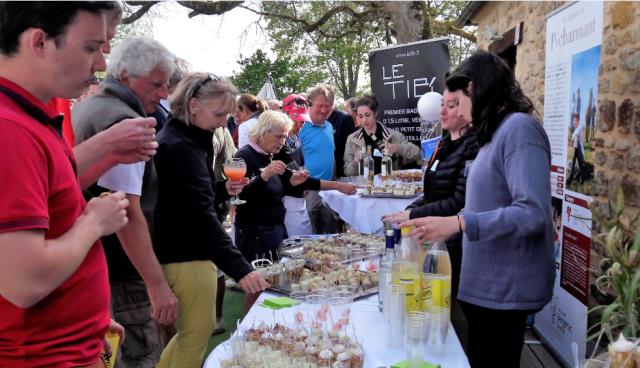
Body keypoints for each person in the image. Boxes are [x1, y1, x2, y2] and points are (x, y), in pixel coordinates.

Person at [399, 50, 555, 368]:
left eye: (458, 102)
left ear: (474, 88)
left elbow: (532, 213)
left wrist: (458, 223)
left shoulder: (519, 130)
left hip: (504, 289)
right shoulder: (494, 134)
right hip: (485, 285)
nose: (458, 112)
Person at [0, 3, 131, 367]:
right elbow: (23, 282)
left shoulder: (30, 118)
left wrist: (86, 323)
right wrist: (94, 222)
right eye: (90, 48)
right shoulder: (9, 129)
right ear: (39, 42)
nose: (101, 65)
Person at [73, 36, 178, 368]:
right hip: (119, 272)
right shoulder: (125, 124)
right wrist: (157, 285)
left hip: (93, 265)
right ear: (124, 76)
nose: (164, 94)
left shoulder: (90, 107)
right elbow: (128, 211)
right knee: (137, 355)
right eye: (157, 84)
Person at [154, 73, 269, 368]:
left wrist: (220, 189)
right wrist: (241, 269)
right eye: (219, 114)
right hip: (185, 254)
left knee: (188, 336)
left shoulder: (182, 138)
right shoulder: (183, 146)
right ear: (192, 105)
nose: (222, 122)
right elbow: (199, 216)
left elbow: (184, 197)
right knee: (195, 336)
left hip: (178, 249)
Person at [383, 88, 479, 339]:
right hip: (435, 238)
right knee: (432, 297)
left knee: (450, 307)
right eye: (442, 104)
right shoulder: (444, 143)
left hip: (457, 241)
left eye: (451, 104)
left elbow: (460, 200)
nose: (442, 110)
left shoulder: (473, 145)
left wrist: (415, 216)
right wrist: (412, 210)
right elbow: (432, 192)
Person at [234, 111, 356, 304]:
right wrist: (263, 177)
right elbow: (238, 195)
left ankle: (268, 325)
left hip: (274, 230)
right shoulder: (243, 156)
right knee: (257, 286)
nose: (283, 141)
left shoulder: (270, 157)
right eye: (279, 136)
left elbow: (303, 183)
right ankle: (249, 327)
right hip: (254, 232)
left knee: (273, 284)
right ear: (263, 133)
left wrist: (336, 186)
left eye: (285, 136)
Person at [343, 95, 421, 176]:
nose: (364, 120)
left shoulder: (394, 136)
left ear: (375, 113)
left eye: (367, 115)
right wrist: (356, 161)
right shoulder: (352, 139)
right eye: (361, 116)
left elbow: (418, 154)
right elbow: (348, 172)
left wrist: (397, 148)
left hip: (389, 185)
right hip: (365, 186)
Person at [300, 84, 342, 233]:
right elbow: (294, 159)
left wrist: (335, 180)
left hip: (329, 188)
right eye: (320, 105)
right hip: (308, 189)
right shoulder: (300, 127)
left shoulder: (329, 126)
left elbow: (330, 156)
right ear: (309, 104)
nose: (324, 110)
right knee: (309, 232)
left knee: (330, 231)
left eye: (328, 106)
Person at [328, 101, 356, 179]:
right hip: (327, 173)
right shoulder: (320, 120)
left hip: (342, 173)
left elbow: (353, 147)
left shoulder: (345, 118)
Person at [567, 112, 585, 186]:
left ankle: (574, 177)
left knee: (574, 159)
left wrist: (570, 141)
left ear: (578, 121)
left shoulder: (579, 128)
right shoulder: (576, 129)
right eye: (573, 121)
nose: (573, 122)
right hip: (577, 151)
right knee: (572, 161)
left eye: (575, 120)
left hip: (579, 152)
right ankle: (573, 176)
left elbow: (574, 141)